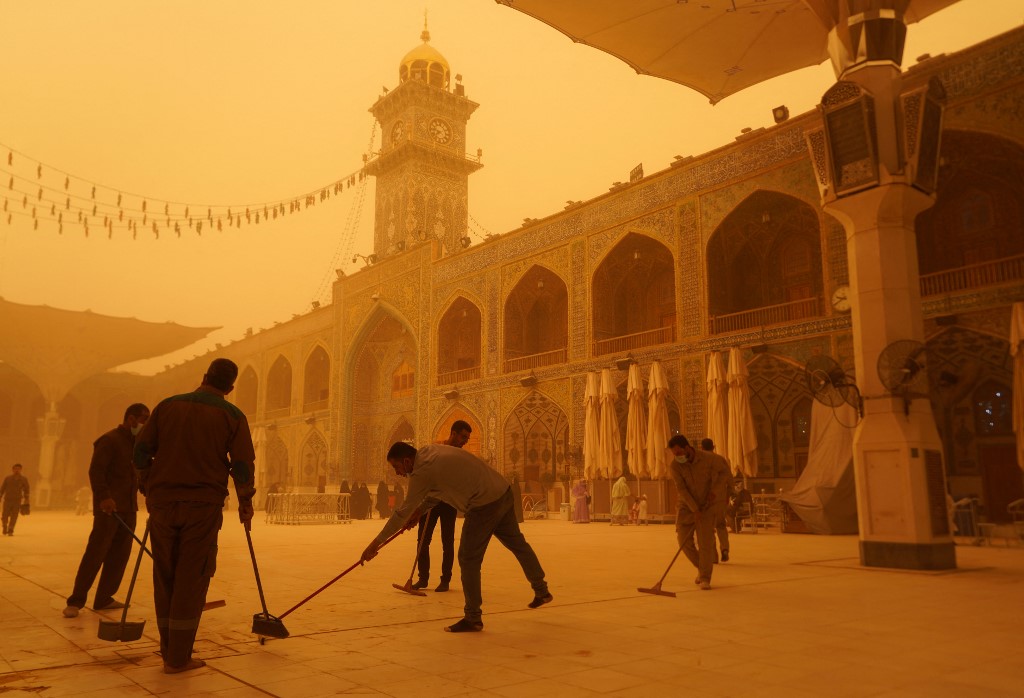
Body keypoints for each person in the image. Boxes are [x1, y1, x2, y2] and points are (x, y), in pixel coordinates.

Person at [133, 358, 255, 674]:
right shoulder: (232, 415)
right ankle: (178, 657)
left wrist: (146, 481)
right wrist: (245, 501)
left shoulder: (167, 406)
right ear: (230, 387)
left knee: (165, 574)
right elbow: (242, 464)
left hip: (162, 502)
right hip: (202, 505)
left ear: (204, 377)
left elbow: (141, 450)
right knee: (192, 576)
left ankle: (167, 650)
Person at [362, 442, 551, 633]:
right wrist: (420, 511)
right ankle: (541, 590)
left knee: (468, 559)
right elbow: (438, 490)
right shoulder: (429, 452)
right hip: (502, 491)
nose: (397, 473)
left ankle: (473, 617)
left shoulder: (421, 471)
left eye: (397, 467)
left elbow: (401, 513)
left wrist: (375, 544)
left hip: (483, 504)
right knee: (518, 544)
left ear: (406, 460)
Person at [63, 403, 150, 618]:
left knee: (120, 556)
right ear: (131, 419)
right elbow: (96, 471)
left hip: (129, 508)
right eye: (143, 419)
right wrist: (104, 497)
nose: (145, 424)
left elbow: (137, 474)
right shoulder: (109, 440)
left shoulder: (136, 444)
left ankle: (104, 598)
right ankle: (76, 600)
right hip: (109, 509)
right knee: (96, 552)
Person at [414, 420, 470, 592]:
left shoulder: (461, 457)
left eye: (467, 438)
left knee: (447, 542)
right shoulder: (437, 449)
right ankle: (423, 578)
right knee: (422, 541)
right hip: (430, 501)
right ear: (453, 433)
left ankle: (445, 580)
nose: (465, 441)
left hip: (448, 503)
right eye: (463, 437)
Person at [668, 435, 728, 590]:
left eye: (679, 453)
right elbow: (681, 489)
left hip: (707, 506)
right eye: (675, 454)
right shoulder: (675, 466)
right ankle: (702, 569)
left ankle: (705, 577)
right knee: (683, 541)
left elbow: (724, 471)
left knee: (705, 543)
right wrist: (694, 508)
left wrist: (715, 490)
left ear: (687, 447)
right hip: (686, 507)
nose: (678, 457)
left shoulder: (708, 459)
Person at [701, 438, 733, 562]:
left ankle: (713, 555)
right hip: (720, 499)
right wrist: (727, 495)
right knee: (721, 525)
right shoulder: (721, 460)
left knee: (708, 529)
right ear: (713, 447)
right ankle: (725, 548)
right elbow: (730, 480)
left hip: (706, 500)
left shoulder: (700, 461)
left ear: (702, 448)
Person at [1, 463, 30, 536]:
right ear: (13, 470)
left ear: (21, 470)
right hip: (8, 499)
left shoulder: (23, 479)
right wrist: (0, 496)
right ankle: (4, 525)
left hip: (17, 500)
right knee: (5, 514)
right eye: (15, 469)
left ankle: (11, 529)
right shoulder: (8, 478)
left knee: (14, 515)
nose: (17, 470)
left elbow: (26, 489)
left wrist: (26, 499)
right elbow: (3, 488)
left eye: (18, 469)